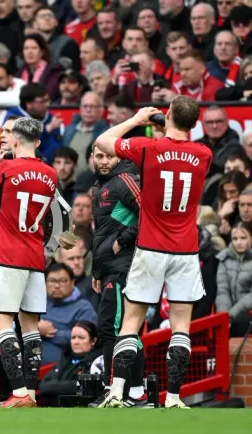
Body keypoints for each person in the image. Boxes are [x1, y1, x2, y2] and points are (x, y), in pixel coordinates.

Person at [94, 97, 213, 409]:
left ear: (168, 114)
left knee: (131, 322)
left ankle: (117, 394)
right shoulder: (204, 154)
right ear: (196, 122)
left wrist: (137, 119)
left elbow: (103, 141)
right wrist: (170, 125)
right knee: (181, 325)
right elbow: (183, 145)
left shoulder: (149, 148)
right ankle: (173, 397)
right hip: (185, 249)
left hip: (150, 246)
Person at [0, 117, 58, 408]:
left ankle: (17, 392)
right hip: (35, 255)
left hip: (7, 255)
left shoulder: (5, 168)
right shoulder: (50, 173)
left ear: (15, 140)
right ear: (38, 142)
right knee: (30, 325)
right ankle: (30, 392)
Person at [88, 144, 147, 408]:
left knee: (112, 327)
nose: (103, 161)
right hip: (110, 267)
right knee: (125, 330)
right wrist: (97, 270)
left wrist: (123, 240)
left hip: (127, 265)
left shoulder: (125, 180)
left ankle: (116, 391)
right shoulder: (101, 186)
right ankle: (136, 393)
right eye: (98, 156)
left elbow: (150, 215)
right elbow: (101, 233)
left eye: (108, 156)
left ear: (120, 157)